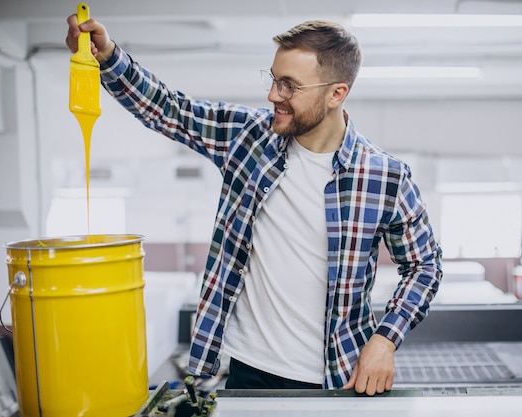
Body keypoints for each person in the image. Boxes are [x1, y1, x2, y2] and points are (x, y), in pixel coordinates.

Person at [66, 16, 443, 396]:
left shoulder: (385, 177)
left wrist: (385, 340)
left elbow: (425, 265)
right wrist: (110, 57)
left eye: (289, 86)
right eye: (274, 78)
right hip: (248, 371)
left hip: (337, 378)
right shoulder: (248, 138)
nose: (273, 95)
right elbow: (170, 110)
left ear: (336, 94)